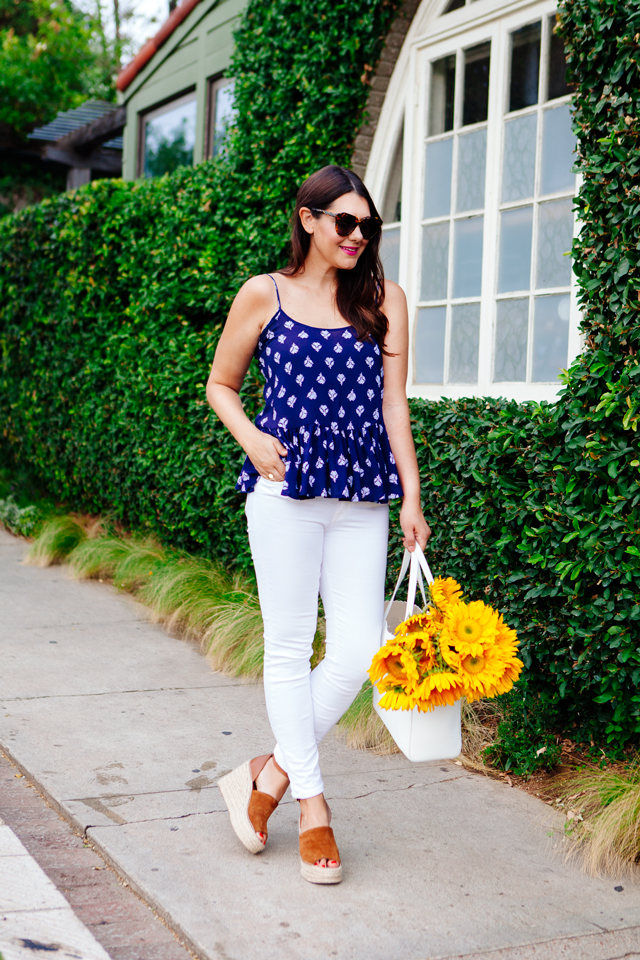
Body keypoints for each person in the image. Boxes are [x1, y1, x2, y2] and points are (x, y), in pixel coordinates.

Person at [206, 164, 430, 885]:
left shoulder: (386, 300)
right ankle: (311, 804)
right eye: (345, 223)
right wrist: (250, 438)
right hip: (283, 491)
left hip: (362, 494)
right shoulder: (263, 294)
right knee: (291, 644)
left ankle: (265, 775)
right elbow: (221, 384)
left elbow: (395, 405)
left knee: (362, 646)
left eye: (369, 226)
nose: (358, 236)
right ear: (308, 219)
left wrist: (412, 497)